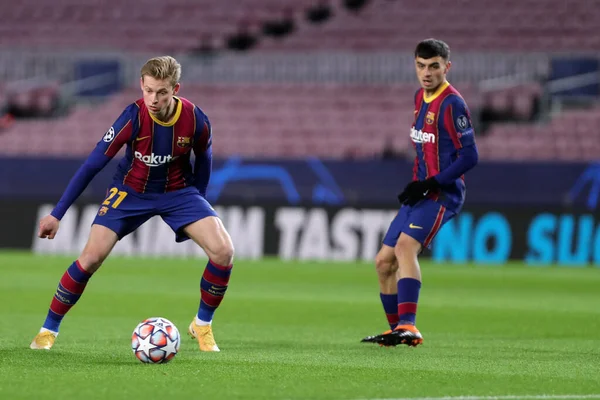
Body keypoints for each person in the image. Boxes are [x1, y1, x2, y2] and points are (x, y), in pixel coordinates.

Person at [30, 56, 234, 353]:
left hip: (178, 192)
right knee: (90, 258)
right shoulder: (132, 117)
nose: (153, 98)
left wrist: (199, 203)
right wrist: (57, 214)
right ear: (141, 84)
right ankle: (48, 330)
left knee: (224, 251)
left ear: (175, 89)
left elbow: (204, 162)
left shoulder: (196, 119)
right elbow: (91, 165)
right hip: (130, 192)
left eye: (161, 92)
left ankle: (202, 324)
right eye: (148, 90)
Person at [362, 39, 479, 347]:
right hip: (421, 192)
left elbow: (470, 156)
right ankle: (396, 330)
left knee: (404, 249)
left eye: (434, 66)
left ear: (446, 67)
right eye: (421, 66)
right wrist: (418, 183)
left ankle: (409, 326)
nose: (426, 73)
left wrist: (432, 182)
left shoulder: (453, 104)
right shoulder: (420, 97)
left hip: (442, 194)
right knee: (383, 262)